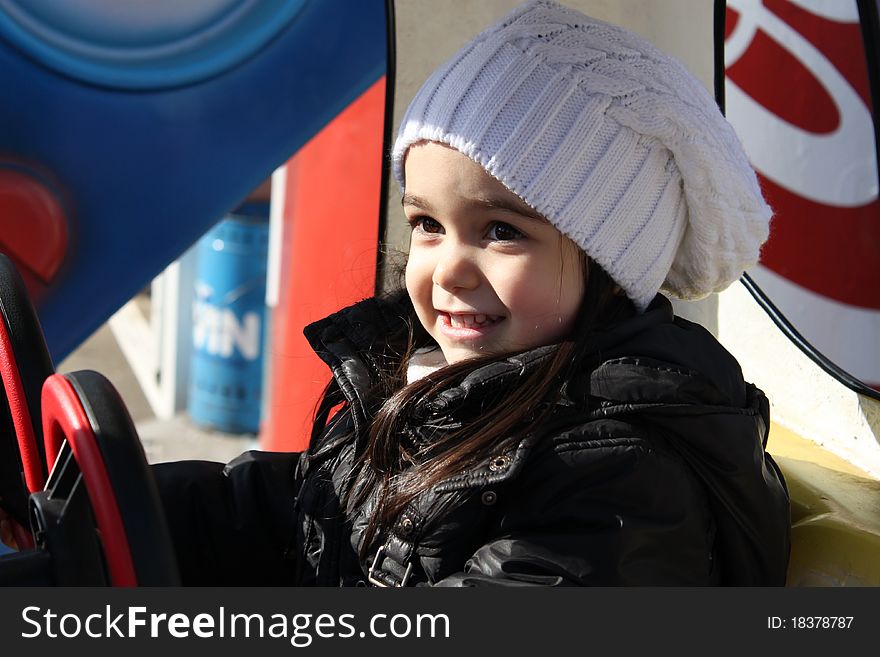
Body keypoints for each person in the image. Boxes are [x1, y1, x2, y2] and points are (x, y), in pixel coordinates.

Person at [155, 0, 790, 586]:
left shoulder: (618, 477)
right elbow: (302, 514)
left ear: (609, 266)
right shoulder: (427, 384)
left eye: (501, 231)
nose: (448, 270)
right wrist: (132, 511)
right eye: (427, 225)